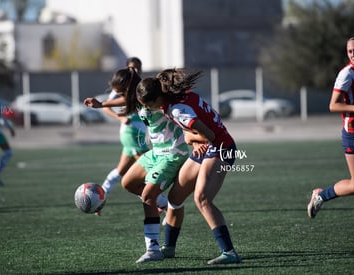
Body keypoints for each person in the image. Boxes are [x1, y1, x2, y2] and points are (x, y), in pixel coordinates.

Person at [134, 68, 242, 265]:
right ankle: (169, 248)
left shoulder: (176, 109)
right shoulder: (179, 97)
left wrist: (190, 137)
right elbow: (202, 125)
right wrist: (194, 139)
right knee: (175, 198)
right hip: (206, 149)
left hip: (221, 149)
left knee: (202, 198)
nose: (147, 109)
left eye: (148, 105)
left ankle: (229, 252)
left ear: (157, 99)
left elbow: (207, 134)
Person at [86, 68, 190, 263]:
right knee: (128, 183)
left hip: (173, 153)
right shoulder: (139, 97)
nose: (118, 96)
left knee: (147, 196)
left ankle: (153, 249)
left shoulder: (154, 97)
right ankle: (168, 207)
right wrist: (101, 105)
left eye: (120, 92)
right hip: (156, 152)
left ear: (129, 89)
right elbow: (125, 102)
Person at [307, 35, 354, 218]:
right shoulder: (347, 74)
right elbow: (333, 105)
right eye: (350, 51)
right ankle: (321, 195)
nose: (353, 54)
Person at [85, 57, 150, 198]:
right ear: (127, 69)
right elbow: (111, 105)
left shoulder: (141, 87)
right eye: (132, 68)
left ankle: (100, 196)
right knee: (150, 167)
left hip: (138, 132)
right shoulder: (122, 86)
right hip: (132, 131)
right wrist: (119, 117)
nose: (136, 70)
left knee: (121, 171)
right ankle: (160, 203)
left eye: (138, 67)